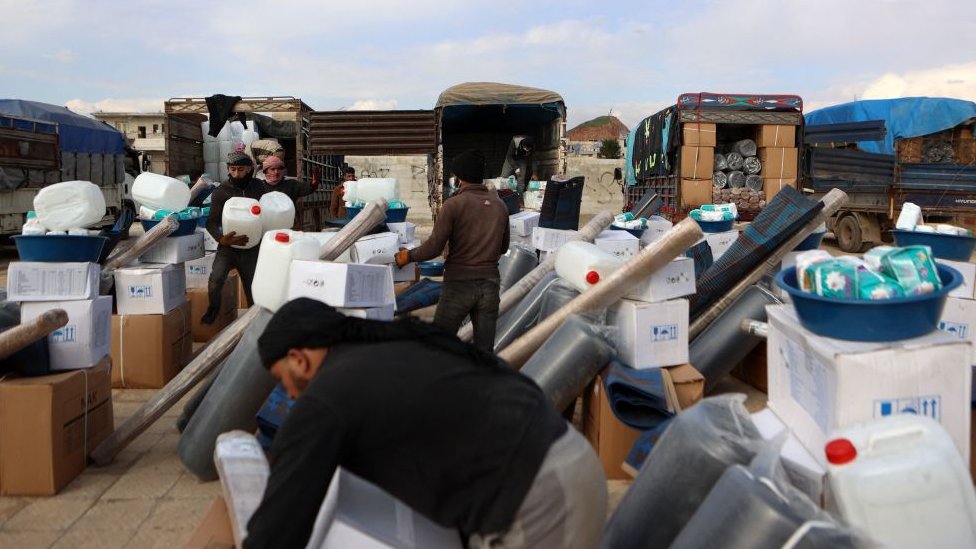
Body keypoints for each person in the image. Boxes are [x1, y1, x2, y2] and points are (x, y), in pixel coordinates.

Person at [244, 298, 607, 549]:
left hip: (539, 495)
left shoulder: (327, 396)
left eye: (282, 379)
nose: (288, 393)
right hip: (549, 467)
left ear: (299, 359)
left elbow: (280, 525)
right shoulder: (381, 351)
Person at [395, 149, 509, 353]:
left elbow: (433, 247)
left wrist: (408, 256)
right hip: (490, 286)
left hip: (459, 284)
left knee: (440, 346)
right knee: (484, 351)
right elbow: (503, 247)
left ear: (458, 178)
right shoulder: (500, 206)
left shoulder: (453, 205)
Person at [201, 151, 267, 324]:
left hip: (252, 247)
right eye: (233, 169)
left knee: (252, 286)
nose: (236, 174)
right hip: (228, 247)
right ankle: (213, 310)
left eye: (240, 169)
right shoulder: (221, 192)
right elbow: (211, 222)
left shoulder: (259, 187)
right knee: (216, 278)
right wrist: (221, 239)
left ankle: (255, 322)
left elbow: (269, 212)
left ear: (249, 169)